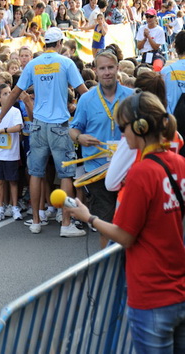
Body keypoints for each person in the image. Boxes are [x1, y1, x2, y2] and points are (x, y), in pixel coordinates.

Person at [67, 91, 185, 354]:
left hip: (151, 294)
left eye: (123, 128)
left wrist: (89, 217)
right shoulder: (180, 164)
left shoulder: (142, 172)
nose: (122, 135)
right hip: (180, 288)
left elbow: (125, 236)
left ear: (140, 127)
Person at [0, 27, 88, 236]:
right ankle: (66, 224)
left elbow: (15, 93)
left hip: (38, 125)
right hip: (60, 125)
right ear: (60, 43)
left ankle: (36, 220)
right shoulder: (66, 62)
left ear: (45, 43)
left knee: (35, 173)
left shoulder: (33, 64)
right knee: (66, 175)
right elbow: (84, 92)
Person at [69, 50, 133, 248]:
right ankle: (107, 262)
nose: (107, 72)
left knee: (129, 223)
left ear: (118, 68)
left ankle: (128, 261)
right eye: (102, 68)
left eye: (110, 67)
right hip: (97, 170)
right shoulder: (87, 99)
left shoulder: (132, 97)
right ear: (95, 71)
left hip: (128, 170)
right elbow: (73, 129)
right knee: (105, 222)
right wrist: (80, 137)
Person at [0, 83, 24, 221]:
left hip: (12, 154)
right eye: (5, 94)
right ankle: (0, 208)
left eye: (10, 93)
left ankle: (14, 207)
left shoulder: (15, 112)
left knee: (13, 182)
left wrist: (4, 130)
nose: (9, 96)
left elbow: (18, 127)